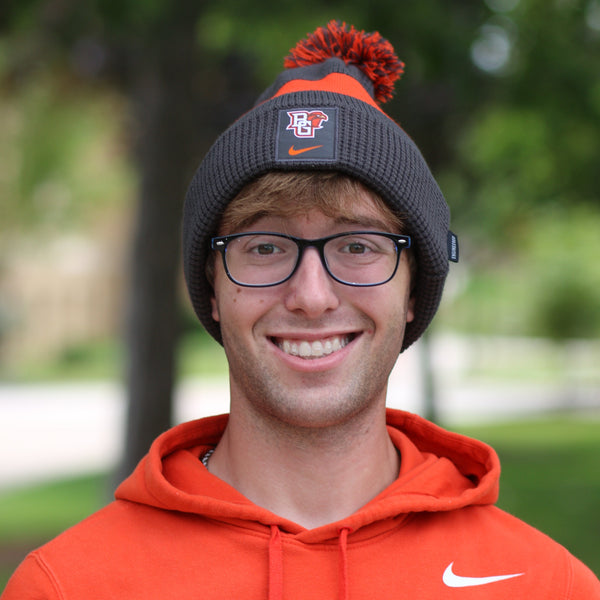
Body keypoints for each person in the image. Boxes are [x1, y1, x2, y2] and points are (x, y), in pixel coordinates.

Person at [3, 20, 599, 600]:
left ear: (415, 288)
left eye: (358, 246)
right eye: (264, 247)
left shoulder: (547, 586)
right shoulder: (68, 587)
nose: (311, 296)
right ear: (211, 286)